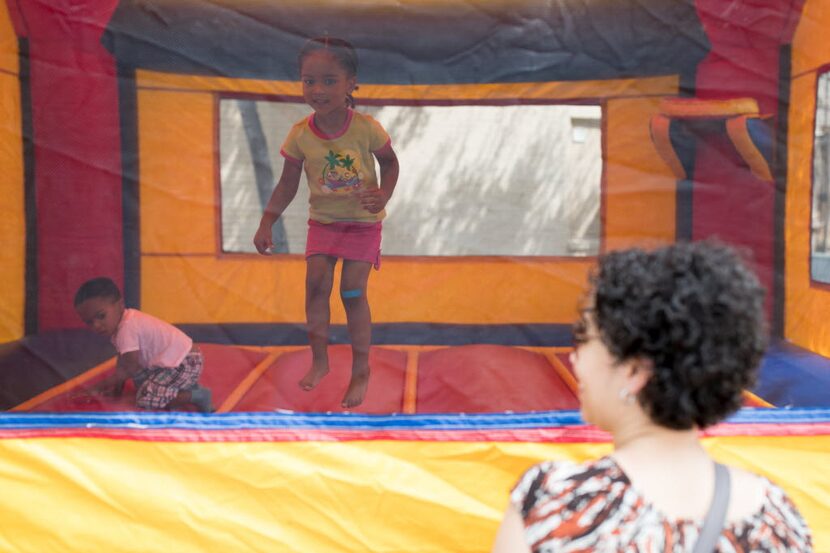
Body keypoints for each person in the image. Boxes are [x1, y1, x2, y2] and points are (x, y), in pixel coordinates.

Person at [492, 242, 813, 552]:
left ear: (634, 371)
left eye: (584, 338)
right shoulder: (775, 517)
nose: (574, 357)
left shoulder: (553, 501)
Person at [253, 37, 399, 409]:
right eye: (309, 81)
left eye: (329, 81)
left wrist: (383, 195)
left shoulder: (365, 128)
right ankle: (320, 361)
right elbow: (288, 182)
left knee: (352, 292)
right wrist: (267, 221)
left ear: (351, 83)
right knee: (316, 286)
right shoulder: (301, 134)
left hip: (362, 223)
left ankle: (361, 369)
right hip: (324, 223)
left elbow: (390, 163)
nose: (318, 90)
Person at [74, 277, 214, 413]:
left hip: (185, 362)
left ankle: (199, 395)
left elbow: (129, 368)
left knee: (146, 399)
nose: (96, 325)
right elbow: (123, 361)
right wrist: (116, 389)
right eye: (89, 322)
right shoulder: (123, 323)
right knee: (140, 381)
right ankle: (179, 388)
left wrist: (96, 388)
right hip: (176, 360)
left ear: (120, 305)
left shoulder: (127, 328)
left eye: (101, 316)